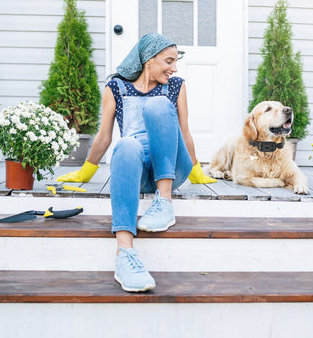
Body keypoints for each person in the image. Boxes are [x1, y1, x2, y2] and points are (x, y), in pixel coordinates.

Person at [57, 33, 216, 292]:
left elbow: (184, 133)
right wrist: (85, 171)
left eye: (176, 62)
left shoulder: (176, 86)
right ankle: (125, 255)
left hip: (171, 167)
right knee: (126, 144)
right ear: (148, 61)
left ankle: (164, 203)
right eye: (169, 61)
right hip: (138, 172)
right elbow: (104, 137)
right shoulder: (116, 88)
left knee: (157, 107)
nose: (174, 68)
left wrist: (196, 170)